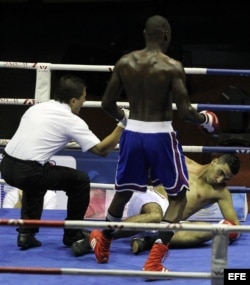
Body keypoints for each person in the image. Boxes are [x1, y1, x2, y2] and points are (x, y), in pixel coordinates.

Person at [88, 14, 219, 273]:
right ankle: (154, 262)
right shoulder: (171, 66)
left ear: (144, 34)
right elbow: (184, 111)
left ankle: (103, 243)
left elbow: (106, 104)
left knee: (123, 193)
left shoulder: (125, 62)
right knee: (178, 198)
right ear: (167, 36)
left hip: (133, 133)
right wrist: (205, 120)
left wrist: (124, 119)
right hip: (160, 135)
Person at [0, 74, 126, 250]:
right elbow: (101, 150)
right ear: (73, 100)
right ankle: (72, 234)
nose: (83, 103)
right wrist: (123, 123)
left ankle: (26, 234)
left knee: (38, 175)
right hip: (28, 172)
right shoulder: (71, 121)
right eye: (82, 99)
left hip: (6, 166)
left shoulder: (37, 108)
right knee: (80, 181)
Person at [71, 153, 241, 256]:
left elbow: (234, 225)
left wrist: (231, 231)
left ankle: (149, 241)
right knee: (155, 216)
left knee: (207, 231)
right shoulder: (185, 163)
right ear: (214, 161)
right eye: (221, 173)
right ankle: (100, 238)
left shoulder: (220, 192)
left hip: (170, 223)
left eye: (226, 178)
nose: (220, 180)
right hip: (151, 201)